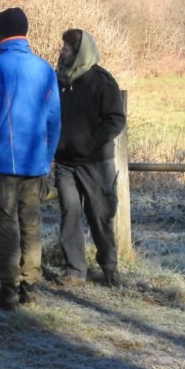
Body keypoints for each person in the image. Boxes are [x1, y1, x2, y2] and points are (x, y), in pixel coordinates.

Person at [0, 7, 61, 310]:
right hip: (35, 166)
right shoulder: (45, 69)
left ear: (0, 33)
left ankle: (8, 291)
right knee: (31, 226)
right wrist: (46, 159)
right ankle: (30, 287)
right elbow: (54, 121)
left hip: (5, 165)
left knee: (7, 228)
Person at [54, 29, 127, 287]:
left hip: (96, 162)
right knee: (69, 213)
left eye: (65, 48)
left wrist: (89, 143)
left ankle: (109, 266)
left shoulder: (102, 82)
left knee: (99, 215)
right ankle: (74, 270)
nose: (61, 52)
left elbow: (115, 120)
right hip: (65, 162)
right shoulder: (58, 81)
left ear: (79, 52)